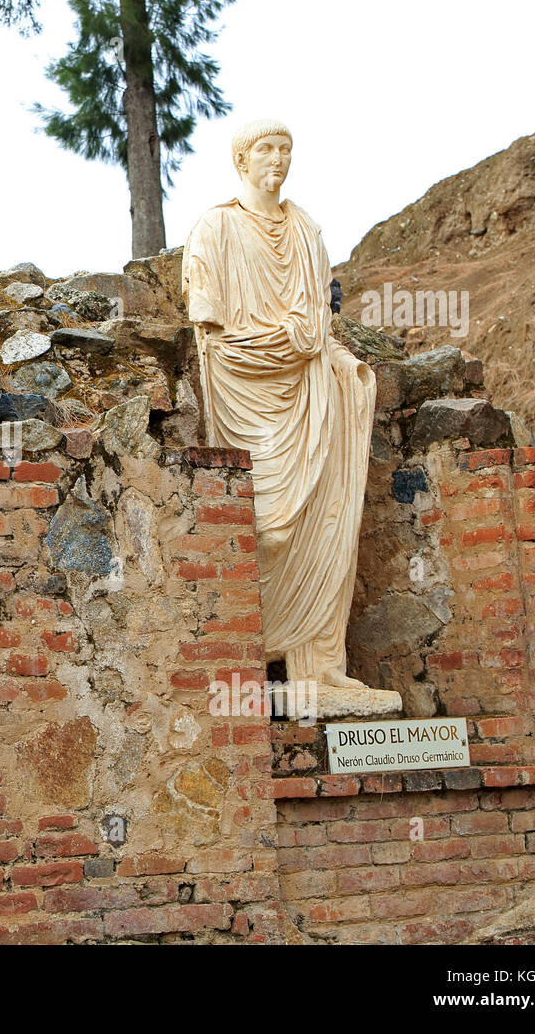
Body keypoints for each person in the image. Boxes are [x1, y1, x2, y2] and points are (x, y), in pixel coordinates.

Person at [184, 119, 378, 691]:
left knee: (328, 517)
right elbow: (211, 334)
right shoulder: (214, 229)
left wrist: (342, 364)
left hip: (313, 389)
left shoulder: (306, 229)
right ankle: (246, 660)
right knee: (269, 530)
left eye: (286, 149)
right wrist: (281, 343)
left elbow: (321, 323)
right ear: (241, 160)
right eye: (266, 149)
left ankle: (319, 668)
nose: (278, 159)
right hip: (245, 391)